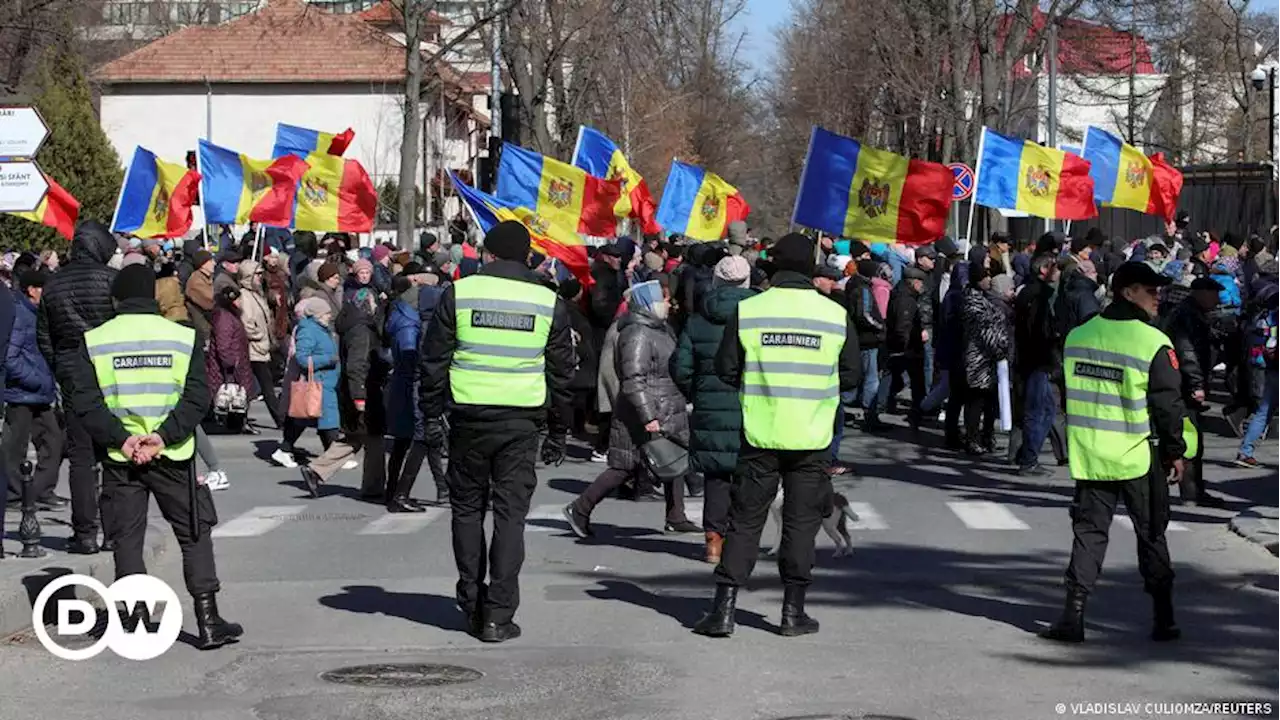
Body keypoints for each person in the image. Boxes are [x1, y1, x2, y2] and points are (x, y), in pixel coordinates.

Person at [692, 233, 861, 639]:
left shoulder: (752, 310)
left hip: (761, 435)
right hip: (811, 437)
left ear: (774, 267)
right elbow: (852, 374)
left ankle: (724, 610)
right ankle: (792, 612)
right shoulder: (833, 314)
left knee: (746, 521)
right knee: (802, 525)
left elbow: (726, 367)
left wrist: (761, 386)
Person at [66, 264, 242, 649]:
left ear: (117, 297)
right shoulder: (182, 336)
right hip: (173, 454)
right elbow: (198, 397)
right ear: (154, 295)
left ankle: (136, 619)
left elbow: (84, 400)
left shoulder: (95, 339)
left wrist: (123, 439)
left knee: (127, 538)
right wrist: (163, 436)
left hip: (120, 456)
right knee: (194, 534)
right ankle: (208, 620)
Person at [419, 221, 575, 643]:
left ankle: (471, 600)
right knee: (510, 517)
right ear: (527, 256)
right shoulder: (548, 301)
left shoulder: (461, 293)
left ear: (487, 253)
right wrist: (560, 432)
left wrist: (431, 417)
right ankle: (498, 614)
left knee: (467, 511)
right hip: (520, 422)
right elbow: (562, 376)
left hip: (468, 417)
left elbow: (433, 361)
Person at [1041, 262, 1186, 644]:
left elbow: (1068, 390)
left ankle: (1073, 616)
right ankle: (1163, 618)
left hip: (1091, 455)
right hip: (1138, 454)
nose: (1159, 296)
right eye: (1150, 290)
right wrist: (1176, 453)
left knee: (1088, 536)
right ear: (1127, 292)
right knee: (1151, 533)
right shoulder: (1152, 342)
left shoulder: (1079, 336)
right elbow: (1169, 405)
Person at [563, 278, 701, 537]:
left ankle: (676, 515)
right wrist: (648, 415)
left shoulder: (659, 329)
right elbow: (633, 379)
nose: (668, 303)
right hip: (642, 411)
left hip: (665, 407)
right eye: (663, 298)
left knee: (675, 459)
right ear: (649, 303)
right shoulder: (637, 333)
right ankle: (579, 509)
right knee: (623, 466)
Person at [36, 221, 117, 553]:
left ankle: (85, 533)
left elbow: (44, 335)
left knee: (81, 458)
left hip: (72, 374)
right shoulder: (113, 281)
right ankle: (114, 531)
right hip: (110, 375)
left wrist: (62, 367)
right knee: (114, 455)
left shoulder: (53, 285)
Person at [671, 255, 756, 564]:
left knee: (716, 477)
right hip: (753, 403)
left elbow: (680, 367)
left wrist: (697, 392)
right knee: (748, 474)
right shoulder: (760, 314)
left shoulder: (698, 319)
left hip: (710, 403)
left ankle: (713, 542)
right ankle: (740, 540)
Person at [1161, 277, 1226, 507]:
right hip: (1184, 385)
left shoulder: (1195, 314)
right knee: (1189, 439)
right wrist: (1196, 384)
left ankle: (1194, 490)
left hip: (1185, 383)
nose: (1218, 299)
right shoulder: (1186, 315)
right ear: (1201, 293)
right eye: (1214, 293)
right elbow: (1186, 351)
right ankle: (1189, 492)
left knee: (1192, 439)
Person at [4, 269, 60, 509]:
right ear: (32, 290)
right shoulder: (19, 315)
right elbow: (9, 357)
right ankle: (13, 494)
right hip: (22, 392)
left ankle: (41, 490)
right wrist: (36, 380)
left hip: (41, 392)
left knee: (54, 440)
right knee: (14, 446)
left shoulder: (39, 314)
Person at [1013, 253, 1061, 474]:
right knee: (1037, 410)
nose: (1058, 272)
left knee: (1048, 408)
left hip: (1035, 360)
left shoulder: (1034, 293)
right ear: (1044, 270)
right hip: (1035, 361)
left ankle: (1027, 452)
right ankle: (1028, 459)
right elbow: (1036, 332)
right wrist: (1052, 341)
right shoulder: (1036, 297)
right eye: (1055, 268)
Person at [236, 260, 283, 428]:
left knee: (251, 387)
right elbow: (246, 323)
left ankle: (241, 419)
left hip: (260, 348)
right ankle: (279, 418)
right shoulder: (244, 296)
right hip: (253, 348)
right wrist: (260, 335)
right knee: (265, 386)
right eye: (257, 274)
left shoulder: (257, 293)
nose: (260, 277)